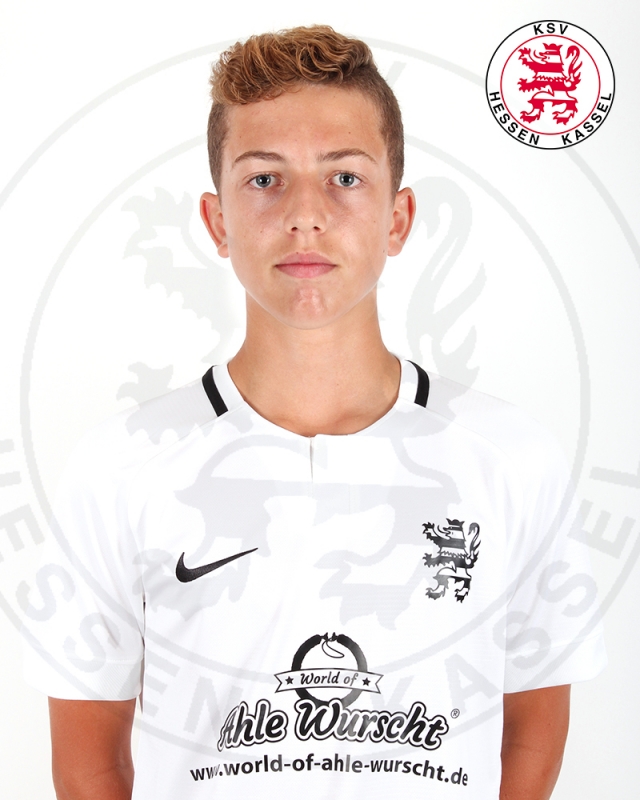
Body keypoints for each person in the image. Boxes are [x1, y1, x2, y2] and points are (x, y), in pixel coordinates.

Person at [25, 25, 605, 800]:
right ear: (217, 220)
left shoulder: (511, 457)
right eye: (265, 179)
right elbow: (89, 761)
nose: (305, 214)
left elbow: (531, 729)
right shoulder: (120, 468)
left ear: (398, 219)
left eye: (345, 178)